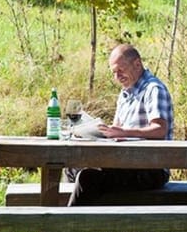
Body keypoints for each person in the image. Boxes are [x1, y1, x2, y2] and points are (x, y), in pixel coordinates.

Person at [66, 43, 174, 206]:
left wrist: (123, 132)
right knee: (72, 168)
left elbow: (160, 129)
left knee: (87, 178)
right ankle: (64, 223)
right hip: (123, 163)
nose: (117, 77)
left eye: (120, 70)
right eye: (114, 73)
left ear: (137, 64)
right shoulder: (124, 94)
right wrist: (95, 133)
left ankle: (69, 229)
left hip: (149, 168)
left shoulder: (154, 89)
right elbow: (115, 132)